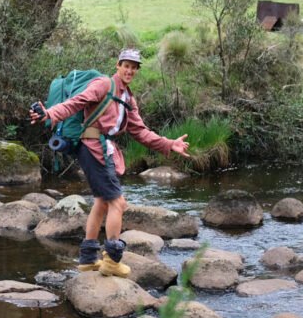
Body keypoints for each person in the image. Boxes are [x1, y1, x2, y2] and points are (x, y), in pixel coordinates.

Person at [29, 48, 190, 276]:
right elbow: (76, 102)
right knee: (118, 203)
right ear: (118, 65)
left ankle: (87, 259)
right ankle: (112, 260)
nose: (130, 70)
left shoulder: (128, 99)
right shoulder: (103, 84)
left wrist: (168, 143)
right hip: (93, 148)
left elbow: (141, 132)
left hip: (105, 150)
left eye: (134, 67)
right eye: (126, 65)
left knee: (102, 203)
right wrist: (50, 114)